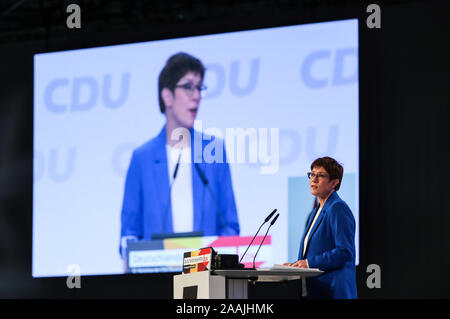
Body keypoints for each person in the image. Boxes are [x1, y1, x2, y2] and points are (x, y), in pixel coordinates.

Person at [120, 52, 240, 258]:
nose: (196, 95)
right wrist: (133, 254)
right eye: (188, 87)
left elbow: (229, 226)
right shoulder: (142, 159)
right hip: (156, 281)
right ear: (167, 96)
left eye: (199, 87)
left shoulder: (213, 151)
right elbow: (129, 233)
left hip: (205, 279)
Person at [284, 156, 357, 299]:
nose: (314, 179)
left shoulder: (338, 208)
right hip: (318, 290)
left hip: (334, 290)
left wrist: (309, 263)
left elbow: (344, 251)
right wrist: (296, 265)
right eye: (312, 174)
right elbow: (314, 252)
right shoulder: (314, 213)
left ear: (334, 182)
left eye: (320, 175)